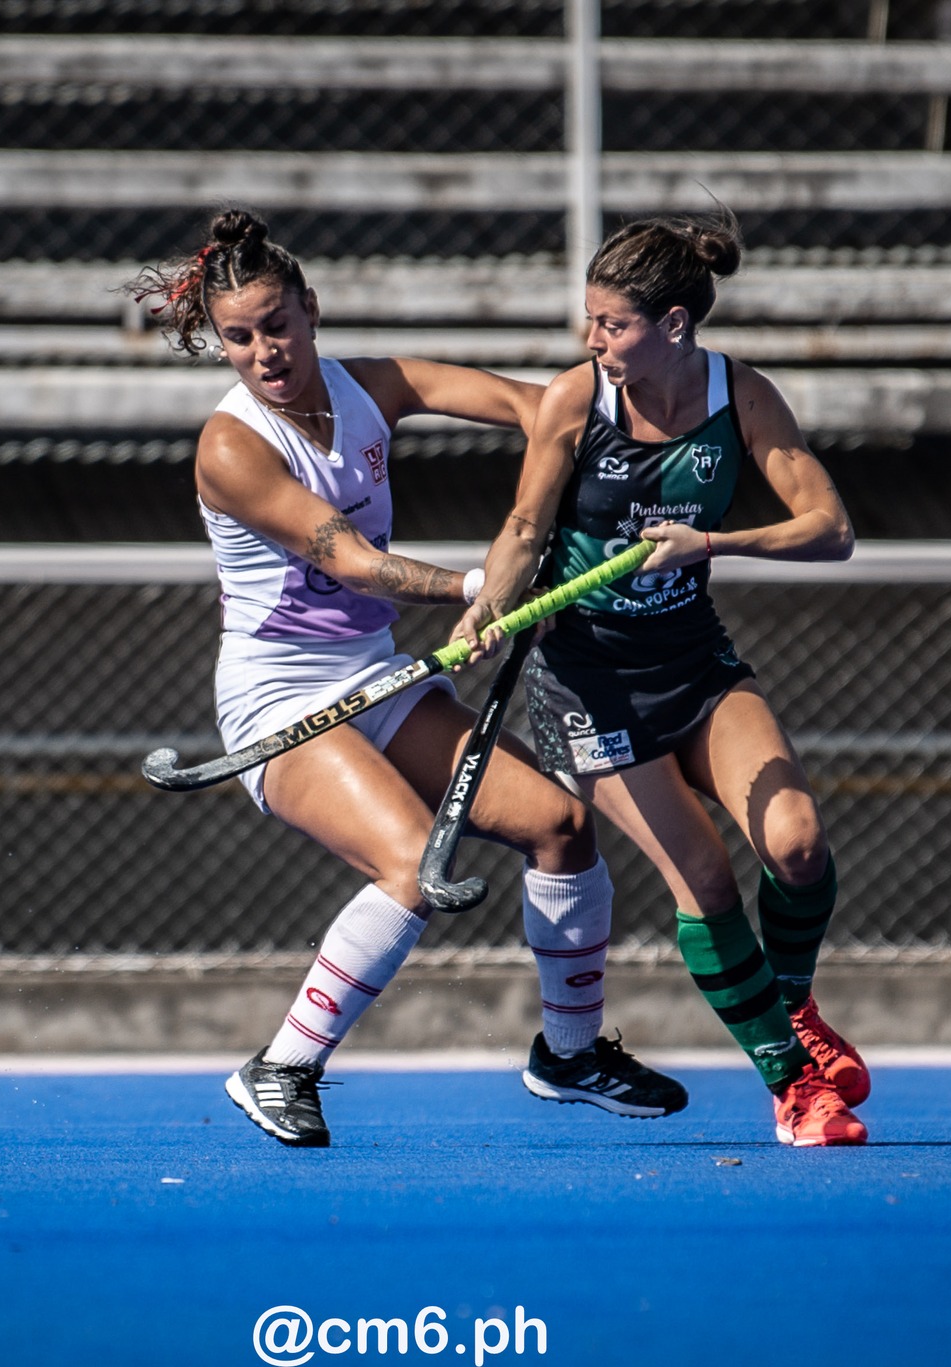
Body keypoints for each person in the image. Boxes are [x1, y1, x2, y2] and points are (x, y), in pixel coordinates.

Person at [127, 208, 685, 1148]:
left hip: (381, 678)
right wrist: (482, 585)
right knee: (410, 864)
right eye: (240, 336)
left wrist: (605, 447)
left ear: (312, 309)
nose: (265, 350)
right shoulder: (231, 448)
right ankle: (282, 1066)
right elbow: (347, 560)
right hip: (284, 699)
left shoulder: (371, 387)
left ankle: (571, 1053)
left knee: (560, 826)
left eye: (277, 324)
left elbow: (535, 405)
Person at [457, 214, 872, 1146]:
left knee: (797, 844)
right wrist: (485, 606)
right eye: (590, 319)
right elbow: (526, 529)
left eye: (611, 324)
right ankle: (794, 1087)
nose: (590, 340)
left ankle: (788, 1005)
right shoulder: (576, 401)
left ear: (674, 324)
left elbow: (830, 529)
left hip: (693, 661)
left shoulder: (743, 397)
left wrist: (710, 541)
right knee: (708, 881)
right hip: (589, 681)